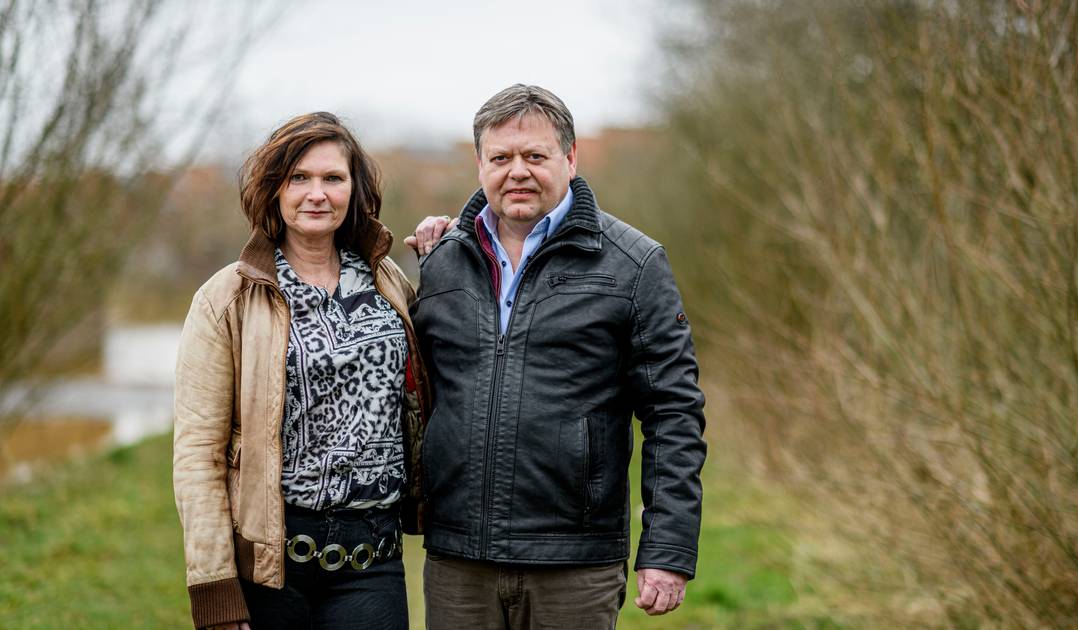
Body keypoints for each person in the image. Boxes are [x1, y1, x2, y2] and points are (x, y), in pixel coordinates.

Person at [408, 84, 707, 628]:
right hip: (458, 559)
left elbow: (673, 412)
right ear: (480, 164)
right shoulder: (443, 263)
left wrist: (668, 547)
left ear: (570, 158)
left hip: (574, 562)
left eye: (534, 156)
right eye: (500, 158)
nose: (516, 171)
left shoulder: (633, 266)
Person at [172, 112, 430, 630]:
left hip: (373, 564)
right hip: (271, 571)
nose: (317, 193)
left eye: (333, 178)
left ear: (353, 190)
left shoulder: (389, 282)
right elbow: (198, 454)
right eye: (299, 178)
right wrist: (215, 588)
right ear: (274, 190)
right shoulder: (227, 298)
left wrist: (448, 247)